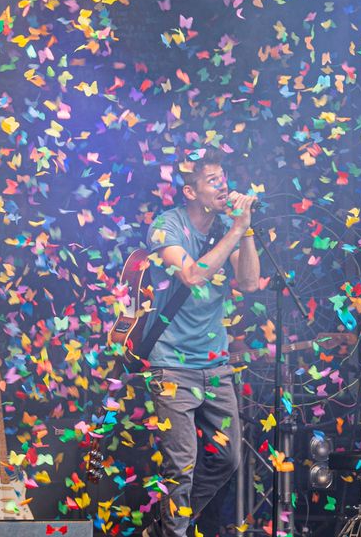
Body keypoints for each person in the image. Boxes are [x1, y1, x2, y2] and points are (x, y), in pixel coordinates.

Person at [144, 155, 261, 537]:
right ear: (191, 191)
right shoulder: (166, 228)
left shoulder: (230, 225)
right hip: (172, 365)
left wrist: (245, 230)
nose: (223, 187)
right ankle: (174, 531)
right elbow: (193, 275)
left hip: (216, 363)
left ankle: (168, 527)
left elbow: (247, 284)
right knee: (181, 465)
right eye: (213, 181)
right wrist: (234, 232)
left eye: (224, 179)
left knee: (228, 458)